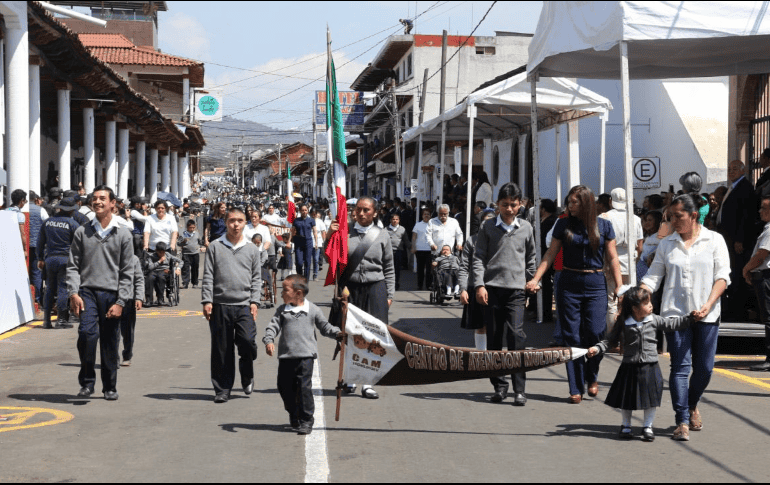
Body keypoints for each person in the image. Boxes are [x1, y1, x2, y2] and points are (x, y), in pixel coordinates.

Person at [640, 193, 730, 441]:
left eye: (678, 217)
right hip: (675, 315)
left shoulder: (715, 241)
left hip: (707, 315)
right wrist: (641, 292)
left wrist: (708, 305)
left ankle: (692, 403)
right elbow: (654, 277)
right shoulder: (667, 244)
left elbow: (722, 277)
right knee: (680, 367)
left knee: (705, 368)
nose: (673, 222)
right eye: (670, 217)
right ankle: (681, 419)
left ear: (693, 216)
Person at [527, 185, 622, 404]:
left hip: (596, 283)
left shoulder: (605, 226)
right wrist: (536, 278)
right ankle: (575, 386)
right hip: (568, 283)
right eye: (569, 202)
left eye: (574, 202)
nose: (569, 206)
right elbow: (550, 254)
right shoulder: (562, 224)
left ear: (587, 203)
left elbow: (613, 258)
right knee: (572, 336)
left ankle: (592, 376)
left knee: (596, 332)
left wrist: (619, 286)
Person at [587, 285, 697, 442]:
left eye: (650, 302)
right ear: (634, 308)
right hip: (629, 366)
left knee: (650, 399)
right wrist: (597, 349)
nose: (651, 305)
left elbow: (673, 324)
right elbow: (610, 340)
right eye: (646, 303)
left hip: (650, 366)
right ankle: (626, 426)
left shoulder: (655, 320)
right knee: (627, 399)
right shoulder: (624, 322)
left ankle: (648, 427)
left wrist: (690, 318)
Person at [67, 185, 134, 401]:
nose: (97, 202)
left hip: (112, 295)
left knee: (109, 341)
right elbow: (73, 266)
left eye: (102, 198)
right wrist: (73, 293)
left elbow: (127, 271)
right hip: (87, 292)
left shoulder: (123, 234)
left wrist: (122, 300)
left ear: (113, 203)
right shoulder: (81, 232)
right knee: (87, 335)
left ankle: (110, 387)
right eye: (94, 198)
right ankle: (87, 383)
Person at [473, 182, 536, 407]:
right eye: (504, 205)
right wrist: (479, 285)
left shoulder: (526, 228)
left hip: (516, 292)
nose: (509, 209)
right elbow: (479, 257)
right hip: (492, 290)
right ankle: (499, 386)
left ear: (520, 205)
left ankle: (520, 389)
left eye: (513, 205)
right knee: (494, 338)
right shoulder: (488, 227)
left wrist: (530, 281)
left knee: (516, 336)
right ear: (497, 204)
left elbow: (531, 258)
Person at [325, 196, 395, 400]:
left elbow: (389, 267)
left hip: (375, 288)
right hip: (350, 288)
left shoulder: (382, 235)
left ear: (374, 212)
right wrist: (330, 234)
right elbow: (328, 258)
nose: (361, 213)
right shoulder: (344, 232)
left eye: (366, 210)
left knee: (373, 337)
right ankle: (350, 378)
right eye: (358, 210)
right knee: (349, 334)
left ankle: (368, 383)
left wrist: (389, 294)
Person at [263, 275, 342, 435]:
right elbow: (273, 326)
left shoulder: (312, 310)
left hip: (306, 356)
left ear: (298, 293)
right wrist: (269, 340)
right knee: (284, 387)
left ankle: (306, 420)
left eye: (285, 290)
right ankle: (294, 413)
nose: (282, 293)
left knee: (303, 388)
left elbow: (325, 327)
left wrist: (338, 334)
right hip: (286, 356)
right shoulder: (282, 310)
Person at [201, 207, 261, 403]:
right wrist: (207, 300)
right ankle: (222, 388)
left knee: (247, 341)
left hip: (244, 305)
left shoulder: (252, 249)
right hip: (220, 303)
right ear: (226, 222)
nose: (236, 224)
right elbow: (208, 274)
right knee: (221, 349)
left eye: (240, 220)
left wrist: (255, 301)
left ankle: (247, 372)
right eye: (232, 220)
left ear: (245, 223)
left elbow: (256, 278)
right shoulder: (216, 247)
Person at [717, 160, 756, 321]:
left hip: (736, 239)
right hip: (728, 237)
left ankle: (737, 310)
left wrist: (740, 239)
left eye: (734, 169)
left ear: (742, 170)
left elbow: (747, 215)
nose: (731, 171)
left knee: (737, 270)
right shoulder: (733, 187)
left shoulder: (745, 187)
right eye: (729, 169)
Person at [599, 188, 643, 332]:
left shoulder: (605, 217)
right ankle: (628, 334)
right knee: (630, 300)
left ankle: (612, 336)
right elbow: (640, 246)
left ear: (611, 201)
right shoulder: (636, 219)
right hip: (630, 260)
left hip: (611, 259)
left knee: (612, 299)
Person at [36, 196, 80, 329]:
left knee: (49, 288)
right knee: (62, 288)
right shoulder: (72, 224)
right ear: (71, 210)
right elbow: (79, 244)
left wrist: (40, 258)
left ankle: (46, 320)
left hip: (50, 259)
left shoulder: (48, 222)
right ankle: (61, 320)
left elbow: (40, 242)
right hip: (66, 260)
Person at [459, 211, 496, 350]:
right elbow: (463, 267)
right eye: (484, 222)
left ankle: (494, 359)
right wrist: (463, 289)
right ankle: (481, 357)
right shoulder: (471, 241)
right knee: (480, 326)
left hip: (496, 287)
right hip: (475, 287)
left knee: (494, 326)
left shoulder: (501, 240)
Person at [743, 196, 770, 372]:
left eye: (763, 208)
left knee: (769, 318)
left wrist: (746, 269)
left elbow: (762, 254)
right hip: (764, 276)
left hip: (766, 277)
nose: (760, 211)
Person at [120, 246, 145, 367]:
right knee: (110, 330)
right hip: (111, 298)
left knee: (127, 331)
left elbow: (139, 279)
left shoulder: (134, 259)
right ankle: (112, 356)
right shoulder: (109, 256)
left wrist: (139, 297)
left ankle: (127, 355)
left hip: (128, 299)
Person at [28, 191, 49, 311]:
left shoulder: (20, 210)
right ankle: (37, 299)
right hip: (37, 245)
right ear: (36, 199)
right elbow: (47, 225)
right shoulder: (40, 210)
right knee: (37, 272)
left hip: (23, 246)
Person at [145, 242, 181, 306]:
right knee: (149, 278)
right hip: (154, 271)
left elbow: (180, 261)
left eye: (163, 252)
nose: (162, 254)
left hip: (164, 271)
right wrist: (159, 261)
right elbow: (150, 267)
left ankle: (160, 299)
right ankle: (149, 300)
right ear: (156, 251)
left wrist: (178, 268)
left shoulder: (168, 255)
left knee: (161, 277)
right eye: (160, 252)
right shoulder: (151, 256)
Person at [290, 204, 317, 280]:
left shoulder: (311, 220)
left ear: (307, 211)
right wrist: (290, 240)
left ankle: (306, 280)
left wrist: (316, 242)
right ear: (300, 211)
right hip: (298, 242)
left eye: (305, 210)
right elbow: (292, 231)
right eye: (302, 210)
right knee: (299, 262)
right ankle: (300, 277)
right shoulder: (296, 220)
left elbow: (314, 231)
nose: (304, 212)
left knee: (307, 262)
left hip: (308, 242)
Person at [411, 208, 433, 290]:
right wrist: (413, 247)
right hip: (419, 249)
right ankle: (419, 285)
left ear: (430, 216)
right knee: (420, 269)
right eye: (424, 214)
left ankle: (428, 285)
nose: (426, 215)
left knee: (429, 269)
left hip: (430, 250)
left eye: (428, 214)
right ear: (422, 215)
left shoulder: (433, 225)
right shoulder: (418, 224)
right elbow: (414, 237)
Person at [387, 213, 410, 291]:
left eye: (396, 219)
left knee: (397, 269)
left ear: (399, 220)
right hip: (388, 252)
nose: (395, 221)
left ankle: (396, 284)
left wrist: (411, 248)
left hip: (398, 251)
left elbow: (406, 240)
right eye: (393, 219)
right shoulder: (385, 229)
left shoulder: (402, 229)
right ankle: (388, 284)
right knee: (388, 269)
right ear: (390, 220)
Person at [6, 189, 28, 261]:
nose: (25, 203)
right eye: (25, 201)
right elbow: (22, 234)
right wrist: (25, 249)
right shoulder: (19, 215)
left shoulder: (4, 211)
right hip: (15, 247)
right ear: (21, 201)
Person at [180, 220, 202, 289]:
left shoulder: (197, 233)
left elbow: (200, 242)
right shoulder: (184, 234)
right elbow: (178, 243)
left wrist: (201, 247)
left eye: (193, 227)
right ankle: (185, 283)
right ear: (187, 227)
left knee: (195, 269)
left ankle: (195, 283)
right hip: (186, 253)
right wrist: (183, 241)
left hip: (195, 253)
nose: (192, 229)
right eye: (190, 227)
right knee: (185, 269)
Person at [312, 209, 327, 281]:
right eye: (313, 213)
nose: (314, 215)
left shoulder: (320, 222)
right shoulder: (309, 220)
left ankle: (315, 274)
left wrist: (324, 241)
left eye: (315, 213)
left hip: (318, 242)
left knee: (315, 259)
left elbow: (323, 231)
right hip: (309, 242)